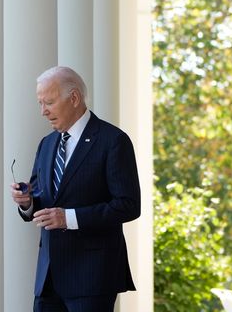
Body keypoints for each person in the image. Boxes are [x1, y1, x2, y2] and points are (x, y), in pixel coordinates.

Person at [10, 66, 141, 312]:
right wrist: (26, 202)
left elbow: (128, 205)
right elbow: (42, 200)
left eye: (48, 102)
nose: (43, 111)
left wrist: (68, 218)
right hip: (48, 280)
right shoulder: (46, 144)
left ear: (74, 98)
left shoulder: (113, 141)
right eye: (40, 103)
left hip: (92, 279)